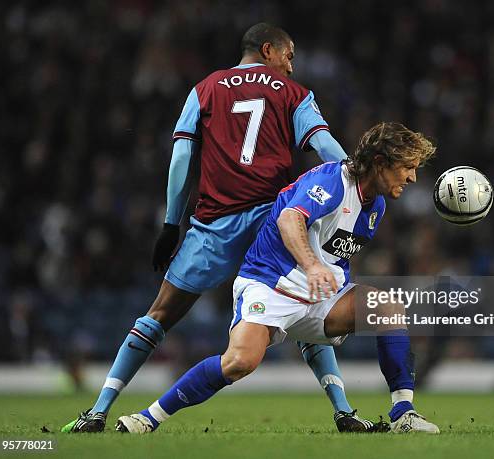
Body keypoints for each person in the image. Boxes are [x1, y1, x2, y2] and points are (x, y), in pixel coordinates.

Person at [62, 23, 375, 433]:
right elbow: (325, 147)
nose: (292, 66)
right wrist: (353, 182)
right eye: (289, 55)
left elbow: (181, 157)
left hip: (215, 225)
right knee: (302, 305)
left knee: (157, 316)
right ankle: (343, 410)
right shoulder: (293, 94)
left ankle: (99, 410)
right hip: (273, 222)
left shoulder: (205, 89)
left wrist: (171, 224)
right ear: (268, 50)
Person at [115, 122, 440, 434]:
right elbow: (289, 219)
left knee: (387, 306)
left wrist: (326, 279)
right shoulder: (332, 181)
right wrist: (312, 265)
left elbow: (335, 254)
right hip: (271, 285)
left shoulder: (376, 206)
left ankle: (403, 413)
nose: (412, 177)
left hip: (319, 299)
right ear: (380, 162)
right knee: (240, 362)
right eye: (407, 167)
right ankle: (148, 417)